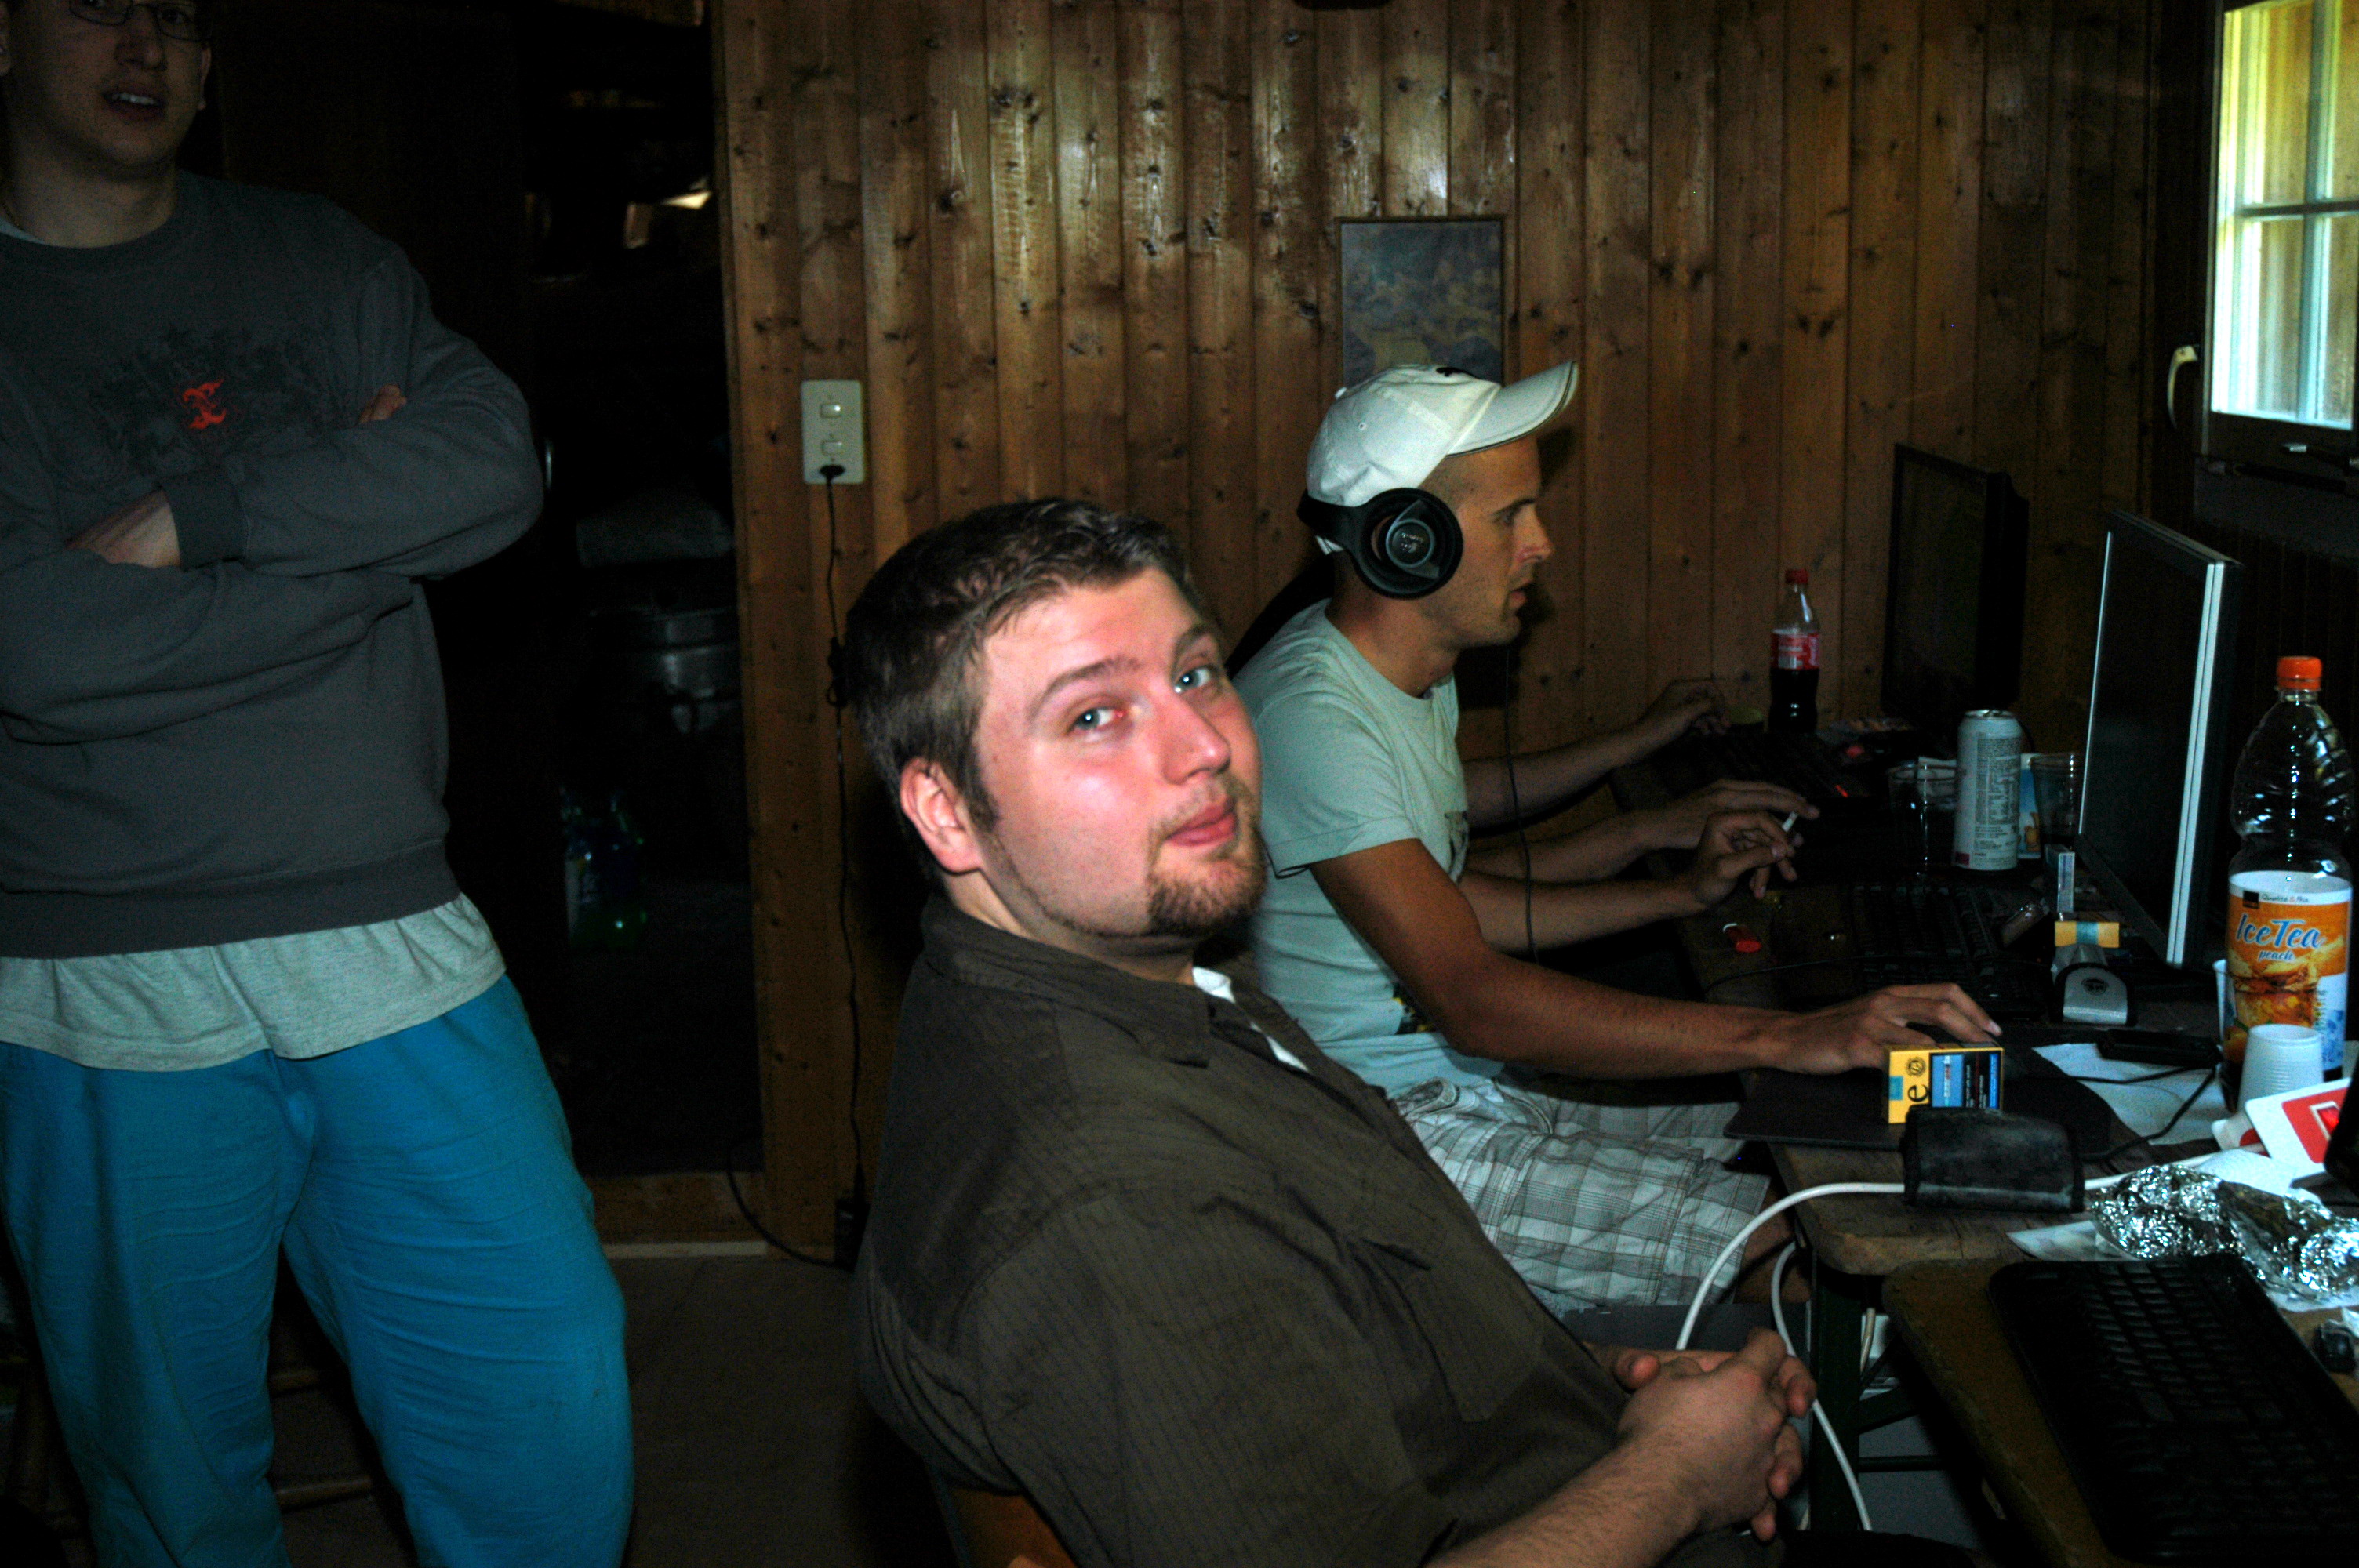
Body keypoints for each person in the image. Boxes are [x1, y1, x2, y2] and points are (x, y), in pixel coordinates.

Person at [0, 4, 631, 1565]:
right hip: (96, 971)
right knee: (167, 1476)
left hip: (389, 926)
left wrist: (193, 522)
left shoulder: (315, 254)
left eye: (180, 13)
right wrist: (365, 554)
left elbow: (489, 465)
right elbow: (34, 645)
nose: (145, 39)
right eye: (98, 0)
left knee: (546, 1406)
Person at [1238, 364, 1994, 1316]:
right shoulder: (1312, 711)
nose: (1540, 544)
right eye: (1509, 516)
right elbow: (1471, 999)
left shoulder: (1403, 675)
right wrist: (1788, 1030)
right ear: (1406, 541)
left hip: (1467, 1085)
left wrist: (1672, 887)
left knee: (1820, 1133)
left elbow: (1448, 894)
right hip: (1388, 1133)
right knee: (1810, 1248)